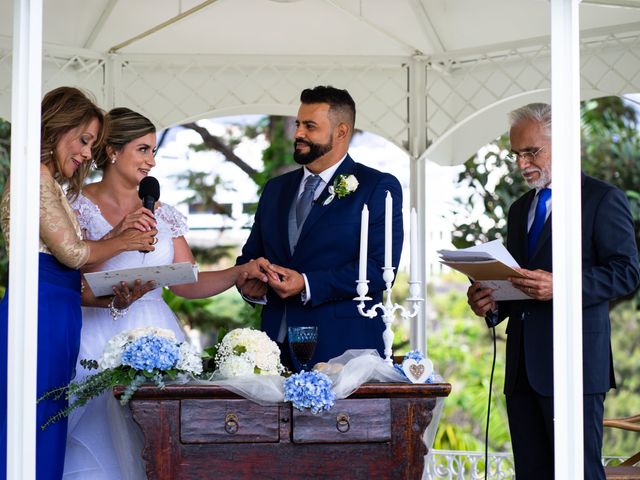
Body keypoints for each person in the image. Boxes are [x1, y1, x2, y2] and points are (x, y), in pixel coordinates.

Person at [63, 107, 269, 480]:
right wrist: (115, 239)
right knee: (96, 445)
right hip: (93, 336)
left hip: (156, 333)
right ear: (112, 150)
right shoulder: (75, 205)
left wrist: (238, 272)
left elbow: (186, 282)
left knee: (155, 448)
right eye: (143, 150)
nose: (151, 162)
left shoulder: (163, 213)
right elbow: (68, 275)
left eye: (154, 152)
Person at [466, 103, 640, 480]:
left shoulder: (600, 199)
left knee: (578, 474)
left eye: (532, 152)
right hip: (521, 371)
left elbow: (627, 273)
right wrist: (489, 303)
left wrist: (562, 286)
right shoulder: (518, 210)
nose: (522, 163)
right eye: (516, 154)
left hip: (575, 366)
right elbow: (518, 284)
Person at [0, 88, 157, 480]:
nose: (89, 153)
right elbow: (71, 254)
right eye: (84, 140)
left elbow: (70, 278)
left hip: (58, 310)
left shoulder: (49, 184)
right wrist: (125, 241)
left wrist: (114, 299)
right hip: (38, 314)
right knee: (32, 417)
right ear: (57, 128)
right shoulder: (34, 177)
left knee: (49, 415)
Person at [236, 85, 404, 367]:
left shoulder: (376, 187)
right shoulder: (276, 189)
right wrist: (251, 285)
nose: (298, 133)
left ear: (341, 131)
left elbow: (379, 270)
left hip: (343, 349)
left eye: (310, 126)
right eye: (298, 124)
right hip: (274, 349)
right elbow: (250, 257)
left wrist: (307, 284)